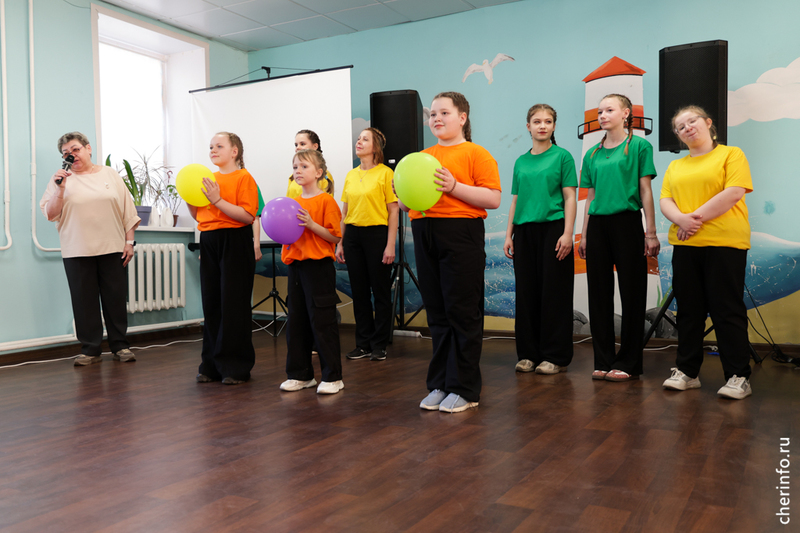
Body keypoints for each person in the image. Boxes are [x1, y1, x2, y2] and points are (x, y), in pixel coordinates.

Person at [398, 91, 501, 413]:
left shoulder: (476, 153)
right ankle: (440, 384)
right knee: (437, 312)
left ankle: (465, 389)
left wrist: (454, 186)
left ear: (462, 117)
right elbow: (407, 204)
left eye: (444, 113)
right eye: (433, 114)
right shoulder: (421, 157)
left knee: (462, 311)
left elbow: (493, 198)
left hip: (461, 232)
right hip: (424, 231)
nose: (437, 119)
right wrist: (402, 195)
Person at [660, 106, 754, 399]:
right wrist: (681, 220)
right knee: (689, 311)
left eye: (692, 121)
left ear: (708, 123)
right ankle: (687, 372)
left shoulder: (731, 154)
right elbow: (665, 200)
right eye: (681, 126)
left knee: (727, 310)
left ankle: (738, 376)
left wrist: (691, 220)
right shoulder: (675, 166)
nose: (687, 127)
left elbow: (734, 192)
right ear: (678, 135)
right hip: (686, 245)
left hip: (725, 243)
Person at [577, 93, 659, 382]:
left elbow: (646, 190)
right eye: (600, 111)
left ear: (626, 114)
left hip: (627, 223)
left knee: (632, 293)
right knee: (599, 294)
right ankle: (603, 360)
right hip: (597, 227)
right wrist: (584, 235)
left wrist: (651, 233)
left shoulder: (639, 146)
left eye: (609, 110)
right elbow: (591, 197)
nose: (602, 115)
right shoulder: (592, 155)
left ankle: (629, 362)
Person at [40, 132, 140, 366]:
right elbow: (51, 214)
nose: (71, 155)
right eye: (66, 153)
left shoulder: (110, 174)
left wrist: (129, 242)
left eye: (75, 149)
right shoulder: (59, 180)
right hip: (76, 250)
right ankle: (91, 349)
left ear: (88, 148)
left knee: (115, 300)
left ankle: (120, 346)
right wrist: (60, 189)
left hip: (112, 247)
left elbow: (128, 210)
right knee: (84, 302)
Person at [504, 104, 577, 375]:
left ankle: (554, 356)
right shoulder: (520, 162)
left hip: (554, 230)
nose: (542, 126)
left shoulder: (563, 157)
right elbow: (515, 200)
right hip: (524, 233)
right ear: (528, 126)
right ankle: (528, 354)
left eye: (548, 121)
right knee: (526, 294)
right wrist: (509, 234)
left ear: (554, 126)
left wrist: (568, 233)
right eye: (537, 121)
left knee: (554, 293)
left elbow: (570, 197)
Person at [189, 132, 258, 385]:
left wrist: (217, 199)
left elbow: (247, 216)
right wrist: (190, 197)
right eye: (211, 146)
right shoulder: (207, 179)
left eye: (219, 146)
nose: (213, 150)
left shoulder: (244, 177)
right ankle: (210, 366)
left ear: (234, 152)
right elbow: (199, 215)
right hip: (209, 240)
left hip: (235, 240)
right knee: (212, 303)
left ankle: (235, 367)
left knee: (234, 303)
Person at [279, 149, 344, 395]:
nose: (298, 171)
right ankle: (300, 375)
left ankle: (333, 377)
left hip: (319, 267)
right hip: (295, 266)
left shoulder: (326, 201)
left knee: (323, 322)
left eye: (304, 166)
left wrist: (311, 224)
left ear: (319, 173)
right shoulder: (292, 203)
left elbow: (335, 236)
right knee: (296, 322)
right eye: (295, 167)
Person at [335, 128, 398, 362]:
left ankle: (379, 344)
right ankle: (362, 344)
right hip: (353, 236)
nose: (359, 142)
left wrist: (390, 245)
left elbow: (393, 211)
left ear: (375, 147)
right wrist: (340, 242)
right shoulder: (351, 175)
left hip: (377, 235)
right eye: (358, 138)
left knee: (380, 291)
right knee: (359, 292)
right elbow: (345, 212)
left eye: (365, 139)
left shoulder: (386, 173)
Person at [287, 129, 334, 198]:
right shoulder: (293, 176)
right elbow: (288, 200)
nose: (297, 148)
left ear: (315, 146)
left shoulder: (323, 175)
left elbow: (324, 201)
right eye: (296, 145)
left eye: (302, 144)